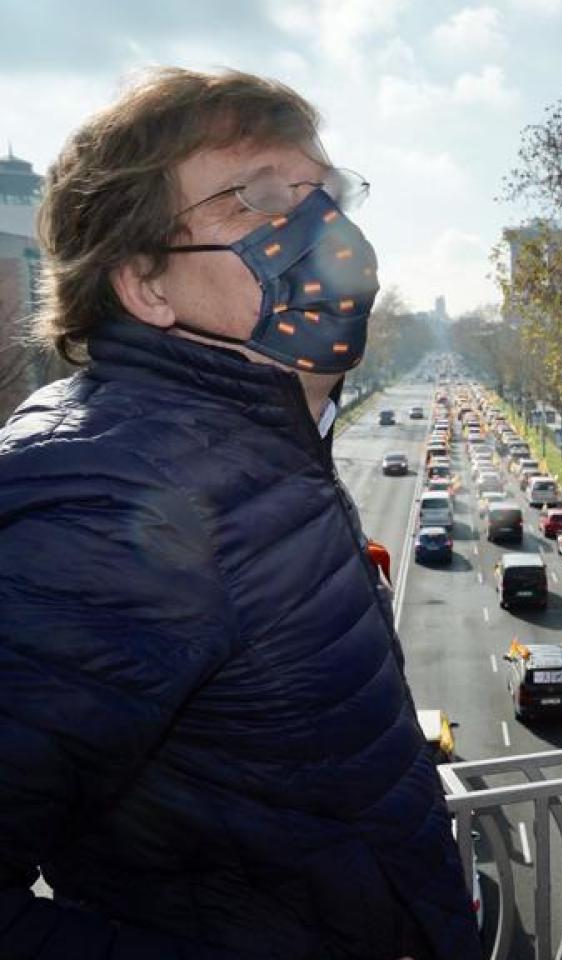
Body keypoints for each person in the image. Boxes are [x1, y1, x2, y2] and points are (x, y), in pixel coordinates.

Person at [0, 68, 480, 959]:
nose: (321, 229)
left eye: (322, 193)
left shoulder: (250, 443)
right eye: (254, 198)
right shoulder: (110, 504)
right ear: (145, 286)